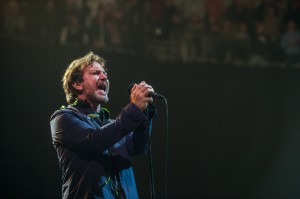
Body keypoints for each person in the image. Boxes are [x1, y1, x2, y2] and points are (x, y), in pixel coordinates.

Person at [50, 51, 157, 198]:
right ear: (77, 84)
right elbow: (95, 140)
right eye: (95, 73)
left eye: (105, 73)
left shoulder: (113, 124)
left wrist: (145, 115)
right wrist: (134, 109)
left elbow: (137, 147)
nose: (104, 77)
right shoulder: (63, 118)